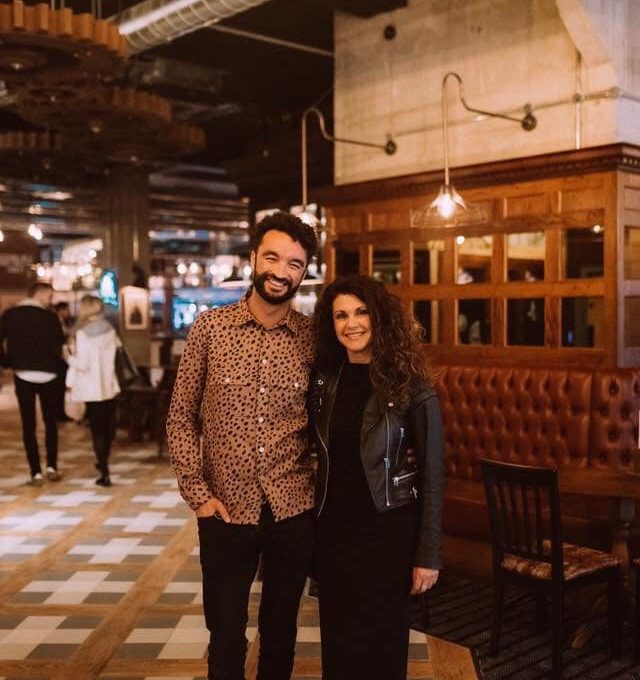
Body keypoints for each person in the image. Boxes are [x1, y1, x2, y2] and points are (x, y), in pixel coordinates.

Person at [167, 211, 318, 680]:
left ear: (304, 272)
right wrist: (198, 495)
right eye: (272, 257)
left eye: (294, 263)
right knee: (226, 633)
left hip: (293, 509)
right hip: (225, 509)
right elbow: (181, 416)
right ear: (253, 258)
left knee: (281, 632)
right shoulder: (210, 329)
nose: (281, 271)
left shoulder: (313, 339)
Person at [310, 275, 445, 680]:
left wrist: (428, 555)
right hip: (334, 531)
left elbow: (433, 473)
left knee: (383, 645)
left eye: (361, 312)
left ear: (379, 317)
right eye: (340, 315)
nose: (351, 323)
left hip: (388, 532)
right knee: (338, 643)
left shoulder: (410, 384)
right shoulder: (325, 379)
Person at [0, 282, 65, 485]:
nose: (51, 300)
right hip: (49, 374)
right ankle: (52, 466)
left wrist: (7, 362)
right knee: (50, 423)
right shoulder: (50, 317)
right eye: (50, 296)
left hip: (23, 372)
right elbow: (59, 343)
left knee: (28, 425)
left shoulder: (10, 315)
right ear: (41, 294)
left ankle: (35, 472)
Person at [65, 295, 120, 487]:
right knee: (107, 428)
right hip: (109, 385)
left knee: (97, 430)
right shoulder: (110, 330)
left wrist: (68, 357)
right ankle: (104, 463)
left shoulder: (83, 333)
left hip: (92, 388)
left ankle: (104, 470)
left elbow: (83, 364)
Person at [53, 301, 74, 422]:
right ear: (61, 310)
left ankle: (60, 412)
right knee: (58, 388)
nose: (68, 312)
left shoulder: (64, 322)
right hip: (59, 358)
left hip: (62, 357)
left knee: (60, 388)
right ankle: (58, 413)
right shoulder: (55, 322)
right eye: (67, 310)